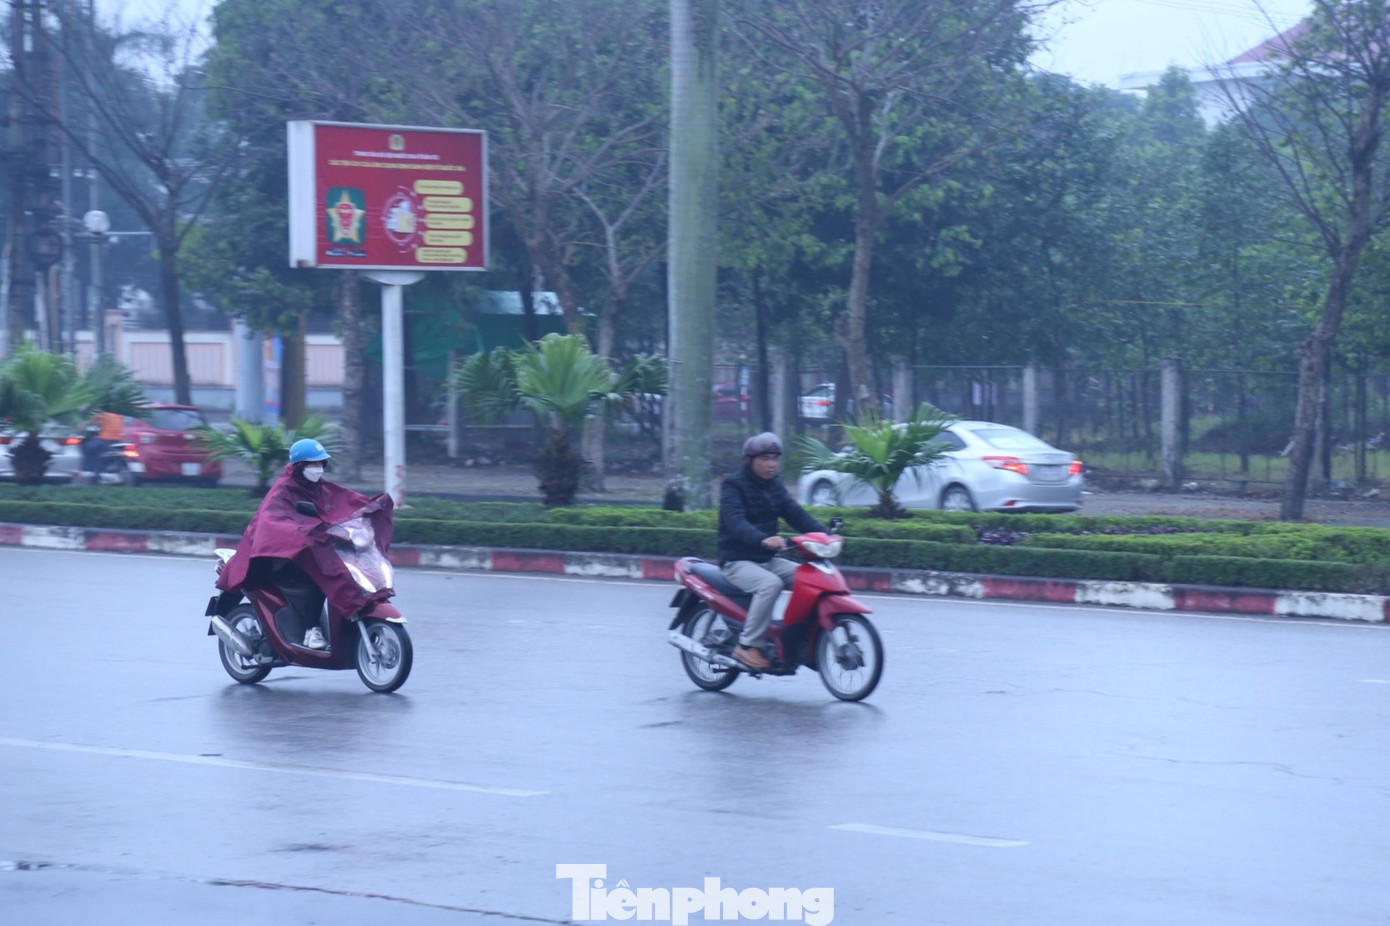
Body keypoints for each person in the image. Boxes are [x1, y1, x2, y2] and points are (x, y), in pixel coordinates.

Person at [216, 438, 392, 651]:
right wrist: (303, 533)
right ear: (299, 466)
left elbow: (344, 502)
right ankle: (311, 630)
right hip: (275, 555)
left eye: (320, 464)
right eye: (312, 464)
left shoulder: (318, 487)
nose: (317, 469)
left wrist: (372, 507)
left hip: (306, 550)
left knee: (348, 570)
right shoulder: (283, 491)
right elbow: (273, 522)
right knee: (319, 577)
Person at [717, 431, 827, 670]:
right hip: (737, 561)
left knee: (810, 579)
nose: (771, 464)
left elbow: (795, 513)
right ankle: (747, 646)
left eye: (775, 459)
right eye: (765, 459)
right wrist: (763, 539)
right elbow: (736, 522)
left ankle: (799, 640)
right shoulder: (733, 486)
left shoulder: (774, 485)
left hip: (766, 559)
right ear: (750, 460)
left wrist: (825, 535)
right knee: (770, 585)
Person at [79, 410, 124, 483]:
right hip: (117, 440)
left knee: (87, 447)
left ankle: (88, 470)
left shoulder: (102, 414)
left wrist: (81, 426)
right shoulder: (119, 414)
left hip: (104, 440)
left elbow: (88, 423)